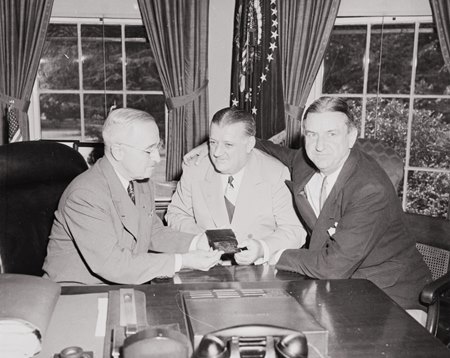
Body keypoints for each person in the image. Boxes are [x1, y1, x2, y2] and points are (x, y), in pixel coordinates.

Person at [184, 98, 431, 310]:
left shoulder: (369, 189)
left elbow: (333, 267)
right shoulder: (306, 160)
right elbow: (267, 147)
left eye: (331, 134)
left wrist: (269, 252)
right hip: (339, 285)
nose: (319, 145)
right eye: (312, 134)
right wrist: (216, 147)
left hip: (389, 295)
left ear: (352, 136)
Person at [42, 108, 222, 285]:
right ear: (118, 151)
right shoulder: (85, 195)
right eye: (148, 150)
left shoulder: (141, 183)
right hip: (78, 293)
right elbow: (113, 265)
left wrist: (197, 242)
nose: (157, 158)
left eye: (157, 148)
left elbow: (152, 232)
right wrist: (183, 261)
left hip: (122, 286)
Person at [166, 107, 306, 265]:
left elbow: (294, 230)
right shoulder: (195, 169)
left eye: (228, 145)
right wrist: (201, 240)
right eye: (213, 142)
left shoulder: (275, 173)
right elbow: (175, 215)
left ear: (249, 144)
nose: (217, 152)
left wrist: (262, 248)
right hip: (203, 267)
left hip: (256, 273)